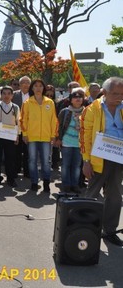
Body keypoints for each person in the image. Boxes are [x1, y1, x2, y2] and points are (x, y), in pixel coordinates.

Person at [81, 77, 123, 247]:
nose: (119, 97)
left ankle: (110, 230)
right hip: (98, 158)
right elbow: (84, 136)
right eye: (115, 93)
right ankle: (85, 228)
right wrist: (86, 161)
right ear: (104, 92)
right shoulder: (92, 109)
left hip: (119, 157)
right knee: (92, 194)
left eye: (121, 93)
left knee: (115, 195)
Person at [20, 79, 58, 193]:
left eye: (40, 86)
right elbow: (23, 120)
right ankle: (34, 182)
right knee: (32, 160)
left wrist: (53, 135)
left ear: (43, 88)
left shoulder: (50, 102)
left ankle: (46, 183)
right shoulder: (27, 102)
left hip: (46, 137)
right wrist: (25, 134)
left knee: (46, 161)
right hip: (32, 137)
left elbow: (53, 120)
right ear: (32, 88)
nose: (38, 88)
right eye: (35, 86)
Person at [0, 86, 21, 187]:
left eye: (9, 94)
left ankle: (10, 179)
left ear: (12, 95)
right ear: (1, 95)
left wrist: (17, 136)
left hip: (10, 137)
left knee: (10, 159)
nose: (6, 96)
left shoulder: (16, 107)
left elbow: (18, 123)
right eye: (4, 93)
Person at [56, 87, 86, 193]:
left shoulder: (87, 112)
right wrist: (58, 139)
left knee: (77, 166)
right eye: (75, 97)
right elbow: (59, 126)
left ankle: (75, 185)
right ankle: (66, 185)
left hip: (80, 143)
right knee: (65, 165)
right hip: (66, 142)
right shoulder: (65, 112)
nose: (78, 99)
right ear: (71, 99)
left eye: (80, 97)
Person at [12, 75, 31, 177]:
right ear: (19, 85)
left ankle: (27, 171)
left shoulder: (34, 96)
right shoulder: (14, 95)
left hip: (30, 127)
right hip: (16, 126)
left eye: (27, 82)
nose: (25, 84)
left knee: (28, 151)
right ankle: (16, 169)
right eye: (23, 82)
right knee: (16, 150)